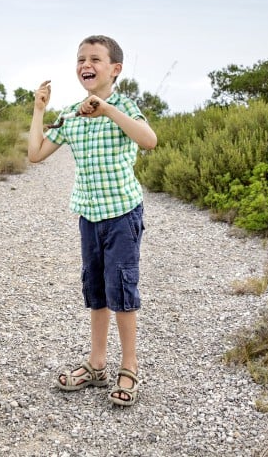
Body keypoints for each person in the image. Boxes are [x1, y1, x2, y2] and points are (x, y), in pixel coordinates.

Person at [27, 34, 158, 406]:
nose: (86, 64)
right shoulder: (72, 114)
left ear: (115, 70)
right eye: (81, 59)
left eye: (95, 59)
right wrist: (39, 110)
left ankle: (128, 367)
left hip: (122, 215)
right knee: (97, 291)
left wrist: (107, 110)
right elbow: (35, 153)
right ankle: (97, 364)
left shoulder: (124, 106)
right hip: (88, 215)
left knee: (122, 290)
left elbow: (149, 140)